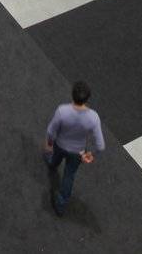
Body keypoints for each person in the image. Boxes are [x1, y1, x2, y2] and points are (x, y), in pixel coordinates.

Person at [43, 80, 103, 216]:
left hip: (60, 145)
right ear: (88, 99)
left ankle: (52, 163)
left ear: (72, 95)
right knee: (69, 175)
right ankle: (61, 204)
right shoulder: (93, 117)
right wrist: (91, 154)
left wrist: (50, 144)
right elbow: (100, 145)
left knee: (54, 159)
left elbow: (51, 131)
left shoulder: (62, 111)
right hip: (78, 152)